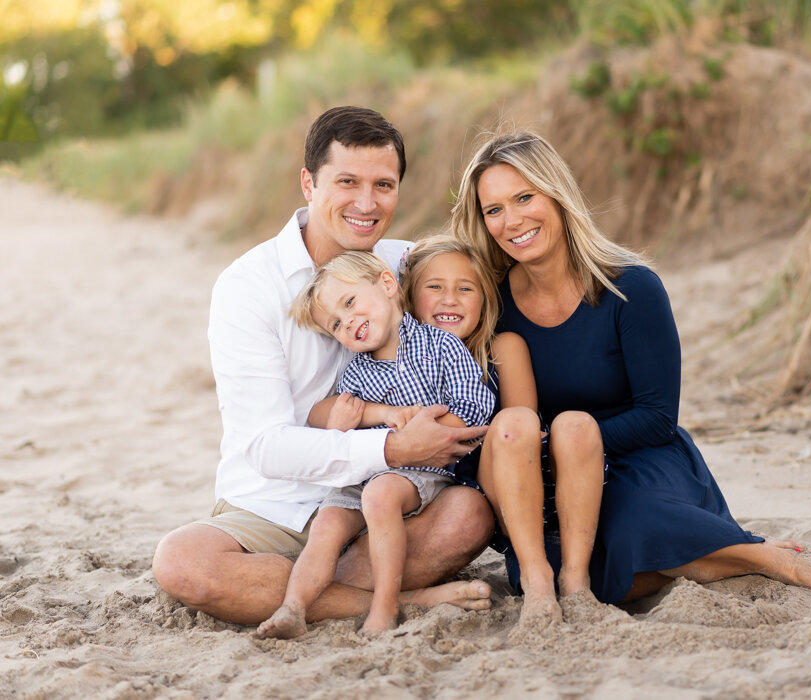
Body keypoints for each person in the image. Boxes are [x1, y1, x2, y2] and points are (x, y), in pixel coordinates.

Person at [450, 131, 811, 605]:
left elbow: (658, 416)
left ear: (558, 196)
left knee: (632, 524)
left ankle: (773, 560)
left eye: (525, 197)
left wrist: (570, 442)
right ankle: (688, 563)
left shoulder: (632, 289)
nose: (512, 220)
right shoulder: (491, 303)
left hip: (641, 460)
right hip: (548, 474)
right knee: (546, 569)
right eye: (494, 209)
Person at [151, 106, 493, 627]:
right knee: (183, 564)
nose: (366, 202)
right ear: (309, 183)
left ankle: (298, 592)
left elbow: (483, 291)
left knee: (468, 517)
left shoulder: (407, 264)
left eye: (384, 184)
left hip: (387, 497)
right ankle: (395, 600)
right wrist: (390, 443)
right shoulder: (248, 286)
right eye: (347, 182)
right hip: (274, 503)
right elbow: (264, 444)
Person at [258, 251, 495, 638]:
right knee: (328, 523)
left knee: (382, 495)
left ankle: (385, 606)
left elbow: (474, 404)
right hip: (365, 473)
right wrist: (344, 422)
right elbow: (325, 422)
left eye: (350, 302)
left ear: (387, 285)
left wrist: (429, 433)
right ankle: (293, 609)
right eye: (336, 323)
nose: (348, 321)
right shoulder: (356, 373)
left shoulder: (441, 347)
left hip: (421, 471)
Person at [400, 236, 606, 623]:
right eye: (434, 287)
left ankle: (575, 580)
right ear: (410, 299)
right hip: (469, 495)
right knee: (512, 425)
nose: (450, 299)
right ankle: (536, 578)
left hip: (519, 477)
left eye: (465, 288)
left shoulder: (502, 347)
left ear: (485, 299)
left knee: (563, 423)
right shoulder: (405, 365)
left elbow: (523, 429)